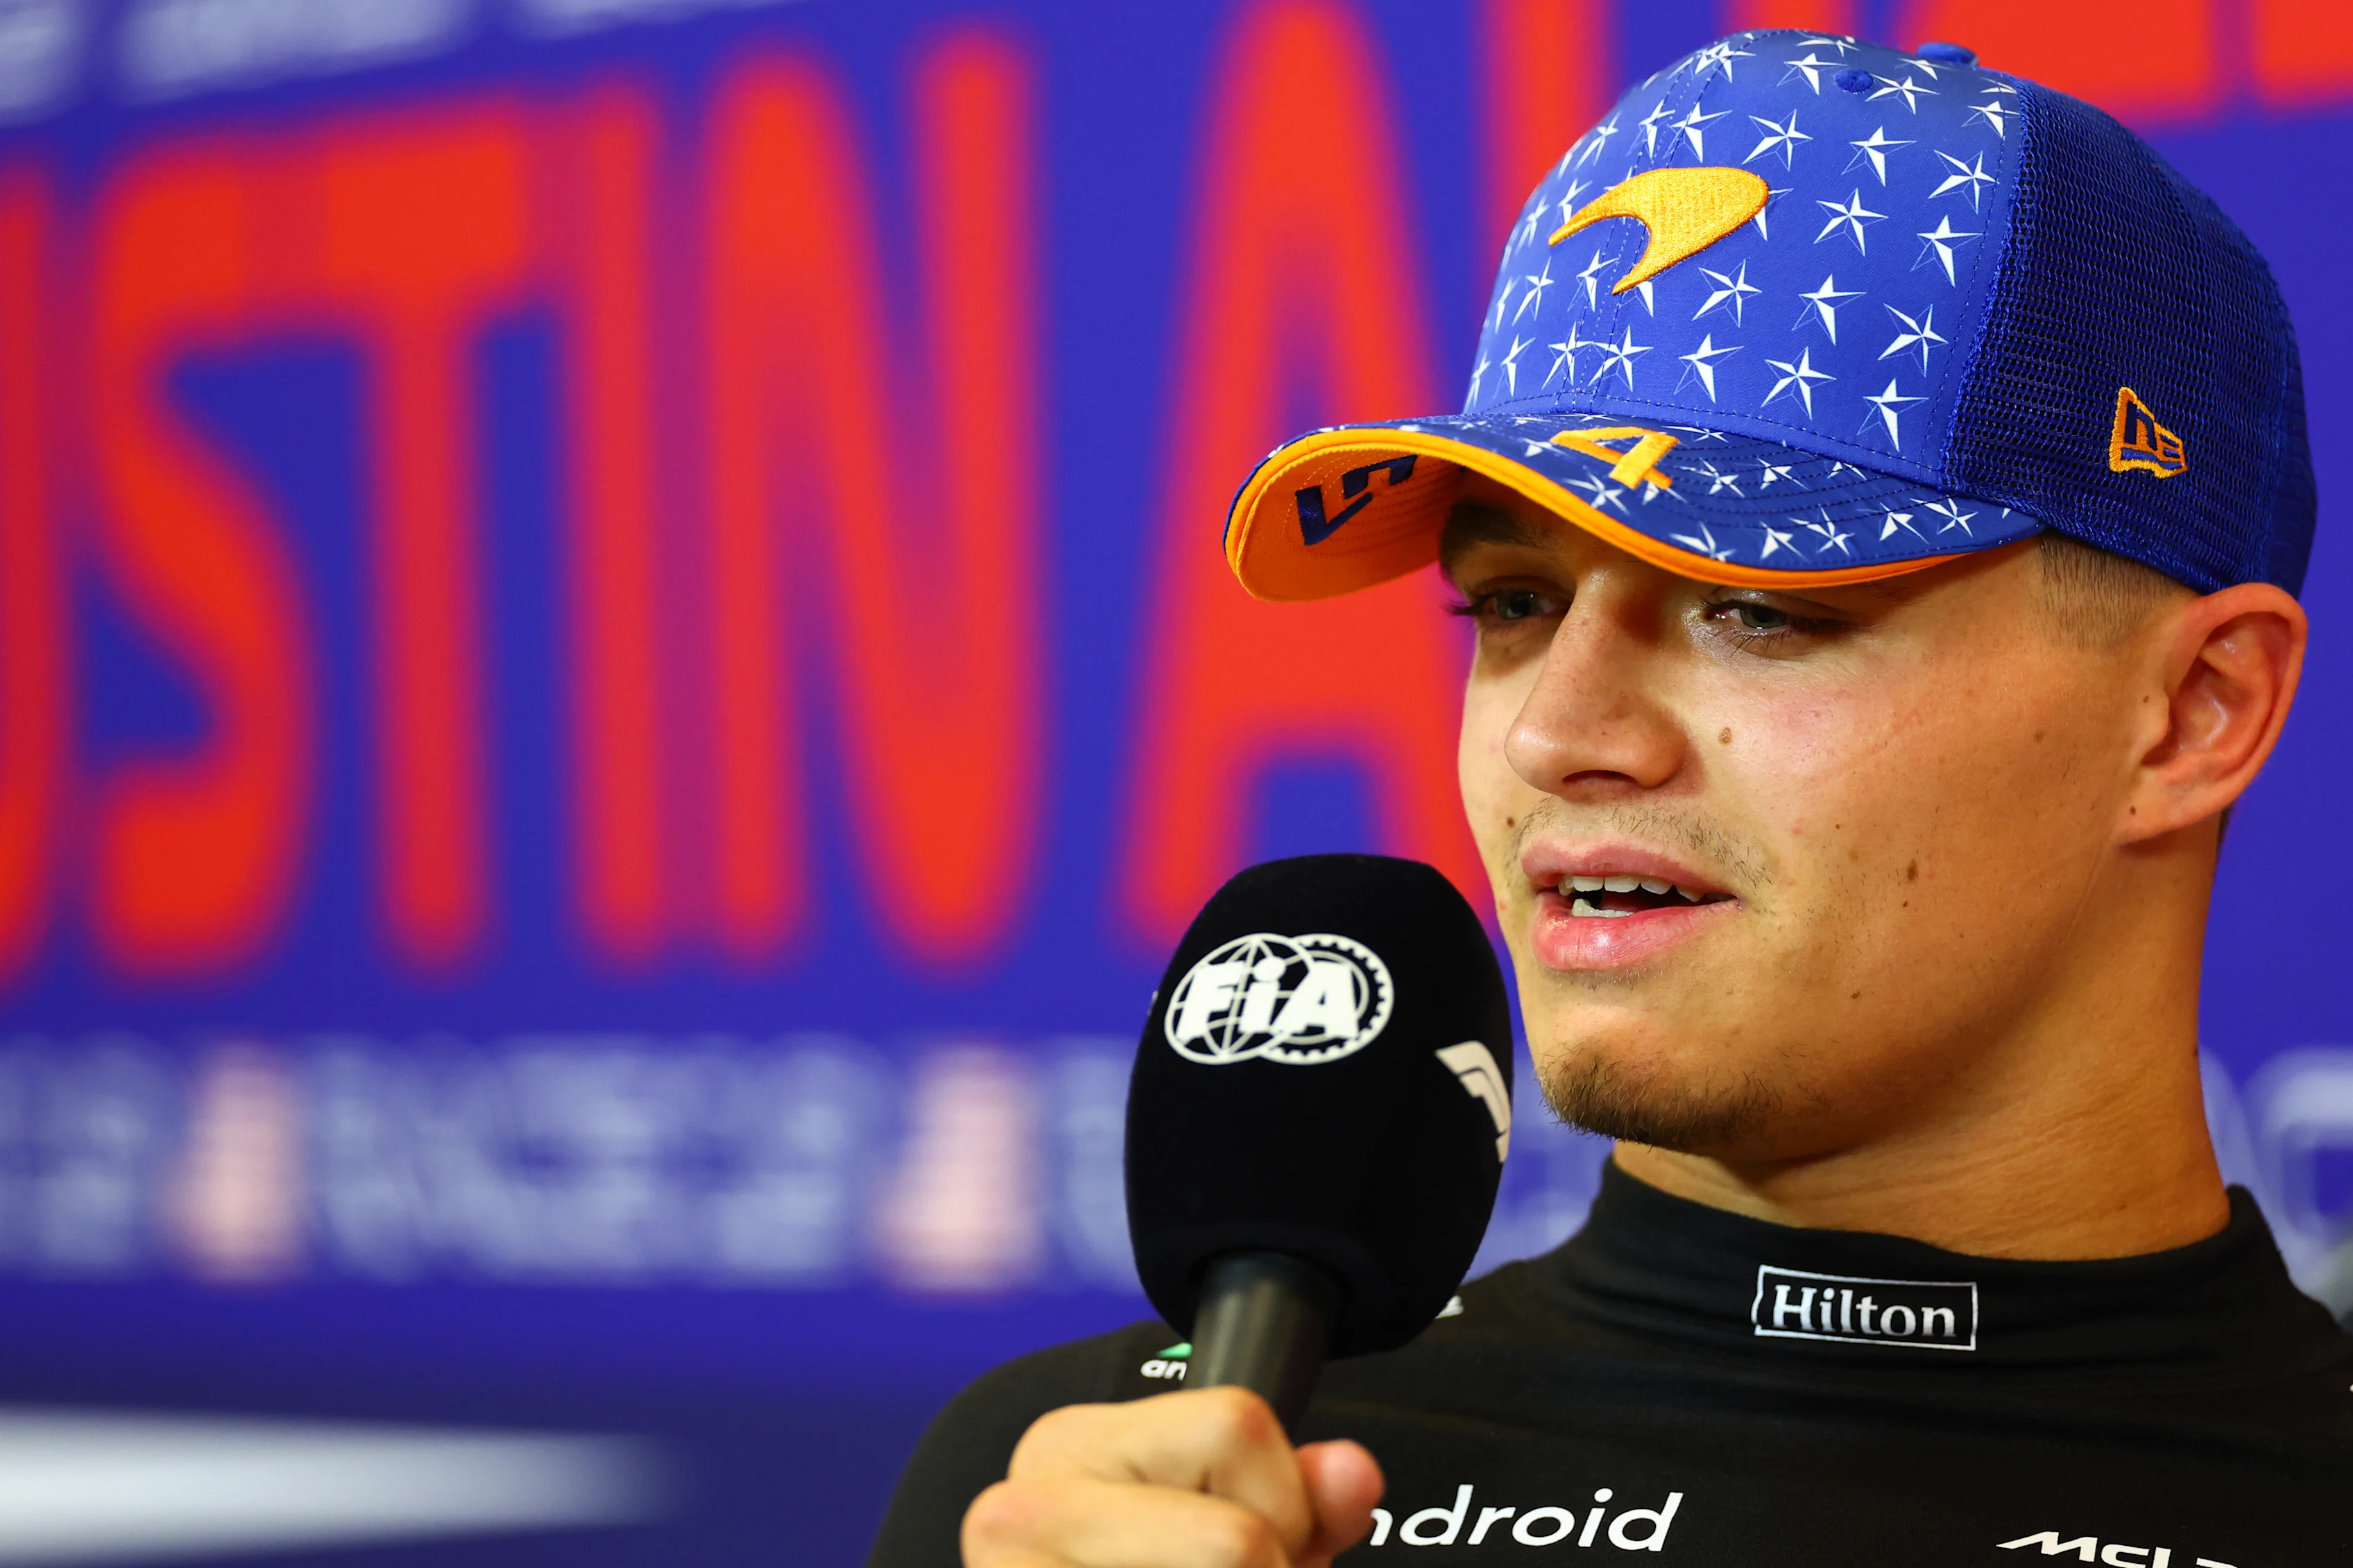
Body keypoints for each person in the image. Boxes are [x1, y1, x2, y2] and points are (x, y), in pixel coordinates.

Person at [869, 29, 2350, 1567]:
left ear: (2193, 712)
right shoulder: (1105, 1495)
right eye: (1510, 603)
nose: (1558, 731)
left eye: (1755, 605)